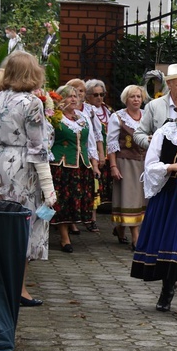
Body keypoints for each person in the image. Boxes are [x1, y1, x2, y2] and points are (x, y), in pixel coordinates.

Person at [130, 90, 177, 323]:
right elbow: (150, 165)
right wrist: (171, 168)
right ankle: (167, 290)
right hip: (170, 196)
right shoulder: (166, 133)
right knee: (169, 243)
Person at [0, 51, 56, 307]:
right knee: (24, 223)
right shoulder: (31, 102)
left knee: (2, 223)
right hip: (22, 168)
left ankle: (6, 287)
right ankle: (18, 288)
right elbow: (37, 147)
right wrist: (49, 187)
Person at [49, 85, 100, 253]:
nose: (73, 99)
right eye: (69, 96)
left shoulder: (82, 118)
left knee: (74, 201)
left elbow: (90, 142)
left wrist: (94, 163)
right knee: (61, 201)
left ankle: (66, 231)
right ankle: (64, 237)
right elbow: (47, 140)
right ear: (61, 99)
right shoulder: (54, 118)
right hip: (61, 166)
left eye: (75, 96)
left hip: (81, 166)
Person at [107, 84, 148, 250]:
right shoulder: (117, 117)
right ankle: (136, 237)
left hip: (145, 161)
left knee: (141, 198)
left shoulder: (146, 116)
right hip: (126, 162)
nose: (136, 99)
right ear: (126, 99)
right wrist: (113, 166)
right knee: (130, 198)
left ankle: (120, 228)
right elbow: (111, 144)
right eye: (133, 96)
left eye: (138, 96)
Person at [66, 78, 104, 233]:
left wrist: (99, 156)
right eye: (74, 91)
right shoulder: (61, 112)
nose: (78, 94)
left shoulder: (89, 111)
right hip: (70, 156)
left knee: (88, 188)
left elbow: (96, 135)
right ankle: (71, 222)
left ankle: (89, 218)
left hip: (88, 154)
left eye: (81, 91)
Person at [133, 64, 177, 150]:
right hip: (161, 160)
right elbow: (138, 134)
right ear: (169, 84)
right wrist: (151, 142)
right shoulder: (154, 106)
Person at [85, 79, 114, 222]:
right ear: (87, 96)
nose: (99, 98)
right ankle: (92, 218)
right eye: (95, 95)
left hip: (109, 152)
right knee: (93, 185)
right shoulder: (88, 111)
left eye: (102, 94)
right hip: (94, 153)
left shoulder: (107, 110)